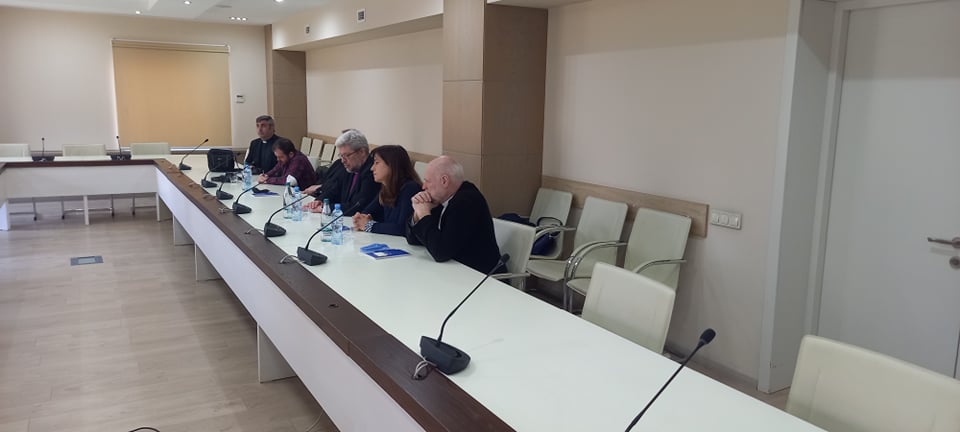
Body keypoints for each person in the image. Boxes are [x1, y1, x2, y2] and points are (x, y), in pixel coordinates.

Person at [405, 156, 504, 274]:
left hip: (480, 276)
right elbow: (414, 240)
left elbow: (440, 252)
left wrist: (424, 214)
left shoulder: (466, 202)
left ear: (444, 181)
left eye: (427, 181)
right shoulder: (443, 198)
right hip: (455, 271)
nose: (423, 187)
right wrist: (417, 215)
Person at [304, 129, 379, 216]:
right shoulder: (351, 168)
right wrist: (321, 200)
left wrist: (326, 208)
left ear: (362, 152)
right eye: (341, 156)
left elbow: (357, 206)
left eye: (346, 155)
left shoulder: (372, 172)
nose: (343, 161)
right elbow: (335, 190)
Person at [352, 145, 421, 236]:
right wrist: (361, 219)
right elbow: (367, 212)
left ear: (392, 165)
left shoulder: (410, 188)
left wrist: (369, 225)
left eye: (377, 163)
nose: (372, 168)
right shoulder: (386, 187)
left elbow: (403, 228)